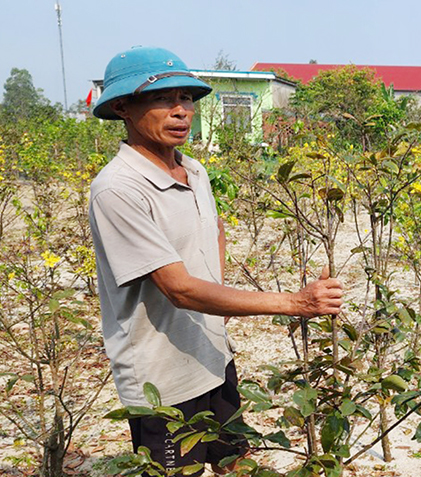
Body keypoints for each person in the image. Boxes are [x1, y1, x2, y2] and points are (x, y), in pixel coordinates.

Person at [89, 46, 343, 475]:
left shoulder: (195, 171)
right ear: (122, 108)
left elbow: (214, 233)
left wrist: (218, 320)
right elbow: (179, 288)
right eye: (161, 99)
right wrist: (297, 304)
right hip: (162, 378)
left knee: (236, 463)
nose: (180, 111)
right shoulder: (118, 189)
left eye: (186, 98)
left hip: (211, 354)